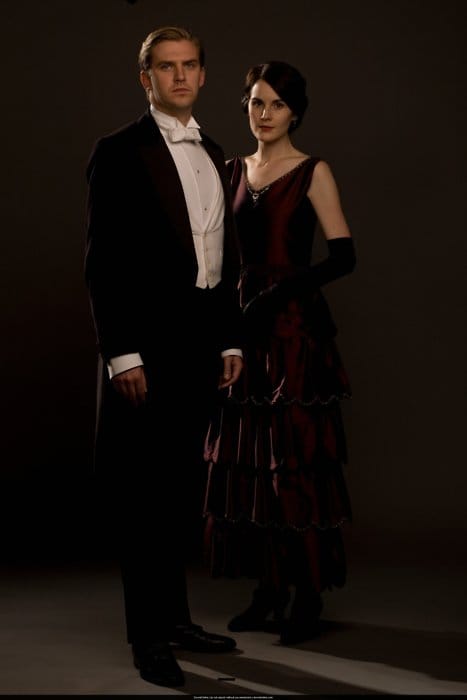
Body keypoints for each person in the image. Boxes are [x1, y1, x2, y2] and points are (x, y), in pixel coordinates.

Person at [84, 26, 244, 688]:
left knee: (180, 493)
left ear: (203, 75)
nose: (179, 77)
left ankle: (175, 621)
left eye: (189, 65)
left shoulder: (214, 149)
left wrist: (230, 338)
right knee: (144, 499)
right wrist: (122, 353)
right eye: (165, 67)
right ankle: (147, 640)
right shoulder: (119, 151)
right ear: (145, 77)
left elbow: (222, 256)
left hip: (200, 346)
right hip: (146, 349)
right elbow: (103, 260)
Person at [203, 60, 356, 646]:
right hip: (241, 324)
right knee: (249, 455)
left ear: (295, 113)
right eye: (255, 103)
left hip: (292, 327)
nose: (264, 114)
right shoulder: (231, 170)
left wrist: (277, 295)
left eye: (276, 105)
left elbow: (343, 257)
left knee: (292, 458)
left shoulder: (313, 170)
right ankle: (267, 589)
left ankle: (306, 592)